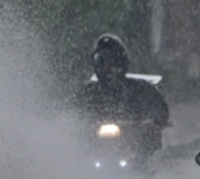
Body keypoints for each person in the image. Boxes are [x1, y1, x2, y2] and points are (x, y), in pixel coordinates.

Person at [70, 34, 170, 163]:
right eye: (101, 62)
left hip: (134, 148)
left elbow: (158, 108)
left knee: (151, 156)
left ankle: (146, 171)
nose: (107, 69)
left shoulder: (142, 90)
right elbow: (71, 110)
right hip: (96, 150)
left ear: (121, 64)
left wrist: (151, 120)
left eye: (112, 63)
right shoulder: (88, 93)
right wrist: (72, 123)